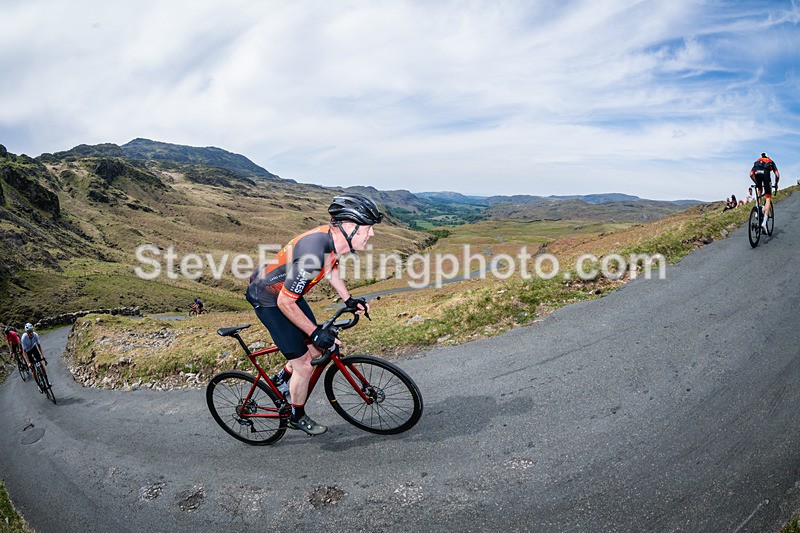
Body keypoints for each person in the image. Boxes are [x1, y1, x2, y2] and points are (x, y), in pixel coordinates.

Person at [245, 193, 382, 435]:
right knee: (305, 365)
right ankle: (296, 415)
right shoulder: (313, 255)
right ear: (349, 226)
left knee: (317, 349)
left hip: (287, 294)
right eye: (368, 228)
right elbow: (286, 303)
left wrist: (348, 300)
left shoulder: (333, 241)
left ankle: (281, 378)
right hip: (271, 300)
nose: (371, 234)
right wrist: (315, 331)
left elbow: (332, 270)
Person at [750, 152, 780, 230]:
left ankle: (757, 209)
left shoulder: (757, 162)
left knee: (759, 189)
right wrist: (776, 184)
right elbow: (777, 175)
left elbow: (750, 174)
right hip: (766, 174)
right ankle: (764, 222)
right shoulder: (771, 161)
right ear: (767, 156)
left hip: (757, 173)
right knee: (768, 198)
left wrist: (756, 183)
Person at [20, 323, 47, 391]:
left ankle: (46, 381)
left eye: (31, 331)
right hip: (27, 351)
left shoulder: (35, 335)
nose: (31, 333)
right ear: (27, 333)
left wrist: (43, 355)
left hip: (33, 347)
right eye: (29, 332)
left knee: (40, 363)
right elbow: (24, 352)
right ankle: (38, 385)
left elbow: (39, 346)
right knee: (33, 369)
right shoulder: (24, 339)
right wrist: (28, 363)